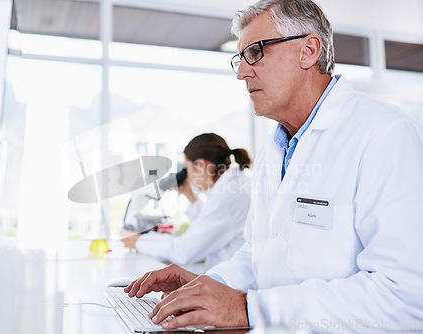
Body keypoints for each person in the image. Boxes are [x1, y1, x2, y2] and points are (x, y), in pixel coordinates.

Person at [124, 0, 423, 331]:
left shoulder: (385, 134)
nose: (241, 72)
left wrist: (252, 309)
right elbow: (259, 256)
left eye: (255, 52)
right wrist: (206, 286)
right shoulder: (275, 150)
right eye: (240, 58)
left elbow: (405, 296)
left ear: (308, 51)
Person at [121, 133, 252, 271]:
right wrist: (190, 195)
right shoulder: (236, 184)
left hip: (231, 284)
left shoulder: (226, 196)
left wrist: (137, 240)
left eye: (187, 169)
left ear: (201, 165)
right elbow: (210, 225)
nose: (187, 175)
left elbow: (182, 251)